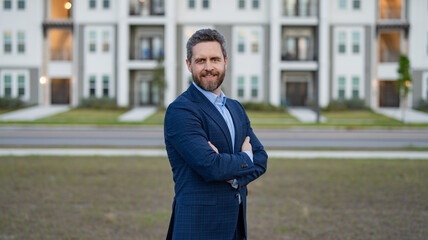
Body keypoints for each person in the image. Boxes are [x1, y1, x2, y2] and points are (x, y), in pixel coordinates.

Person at [164, 28, 268, 240]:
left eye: (215, 59)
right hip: (198, 228)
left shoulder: (236, 108)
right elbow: (210, 166)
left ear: (225, 62)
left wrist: (227, 169)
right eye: (201, 60)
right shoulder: (181, 110)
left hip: (235, 228)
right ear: (188, 64)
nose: (209, 67)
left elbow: (261, 159)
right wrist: (245, 158)